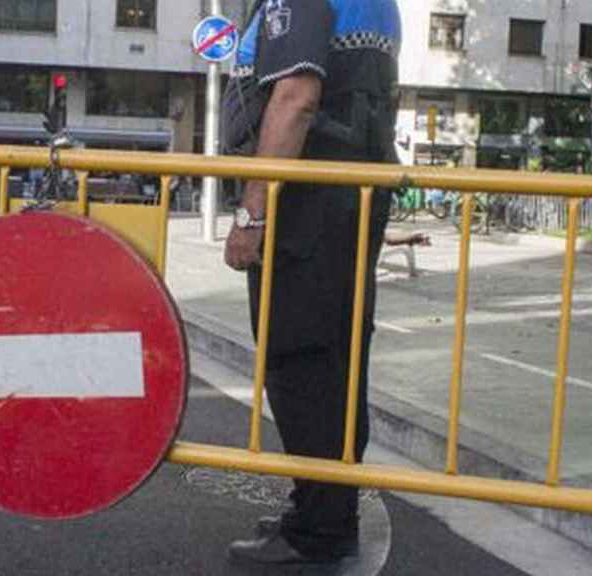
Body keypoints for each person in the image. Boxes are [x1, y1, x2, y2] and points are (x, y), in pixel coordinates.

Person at [220, 0, 402, 569]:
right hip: (344, 198)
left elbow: (295, 98)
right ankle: (323, 512)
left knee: (300, 363)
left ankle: (318, 534)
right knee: (336, 366)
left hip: (307, 204)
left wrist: (254, 213)